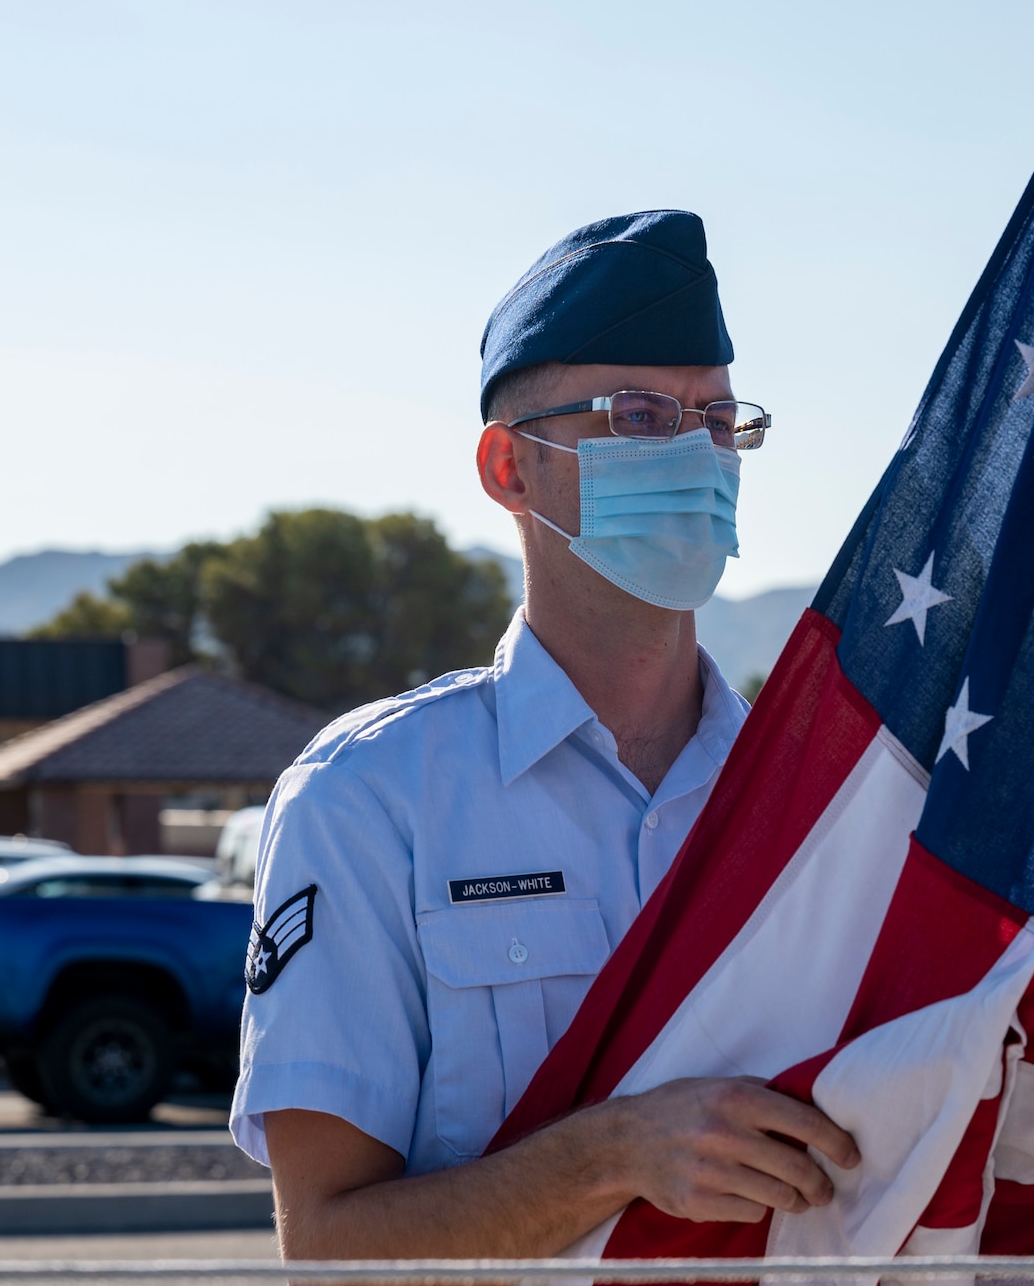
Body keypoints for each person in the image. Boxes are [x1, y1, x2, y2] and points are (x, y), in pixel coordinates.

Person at [230, 210, 860, 1260]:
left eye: (717, 421)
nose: (695, 455)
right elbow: (332, 1254)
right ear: (506, 468)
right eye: (638, 415)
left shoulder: (825, 797)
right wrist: (613, 1154)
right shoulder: (373, 797)